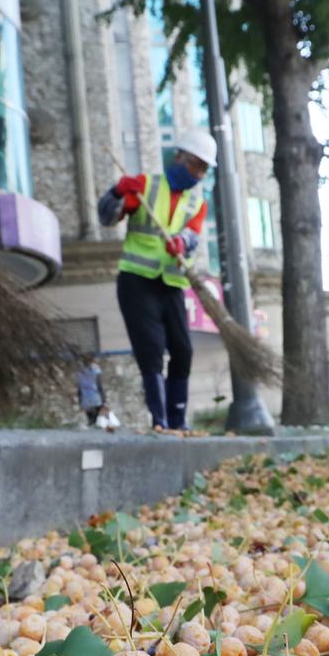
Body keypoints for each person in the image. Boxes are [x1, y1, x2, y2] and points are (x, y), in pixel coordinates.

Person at [97, 129, 216, 431]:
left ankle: (178, 421)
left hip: (171, 285)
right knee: (151, 349)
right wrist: (117, 193)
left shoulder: (196, 203)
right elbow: (107, 218)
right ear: (178, 157)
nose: (198, 173)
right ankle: (160, 421)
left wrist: (180, 241)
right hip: (137, 282)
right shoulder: (144, 187)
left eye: (204, 169)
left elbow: (192, 235)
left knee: (183, 351)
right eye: (195, 165)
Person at [78, 358, 105, 426]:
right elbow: (100, 387)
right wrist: (104, 400)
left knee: (90, 417)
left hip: (85, 398)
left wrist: (80, 401)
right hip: (96, 398)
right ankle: (93, 424)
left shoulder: (81, 374)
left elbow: (79, 389)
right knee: (95, 415)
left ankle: (91, 424)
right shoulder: (97, 373)